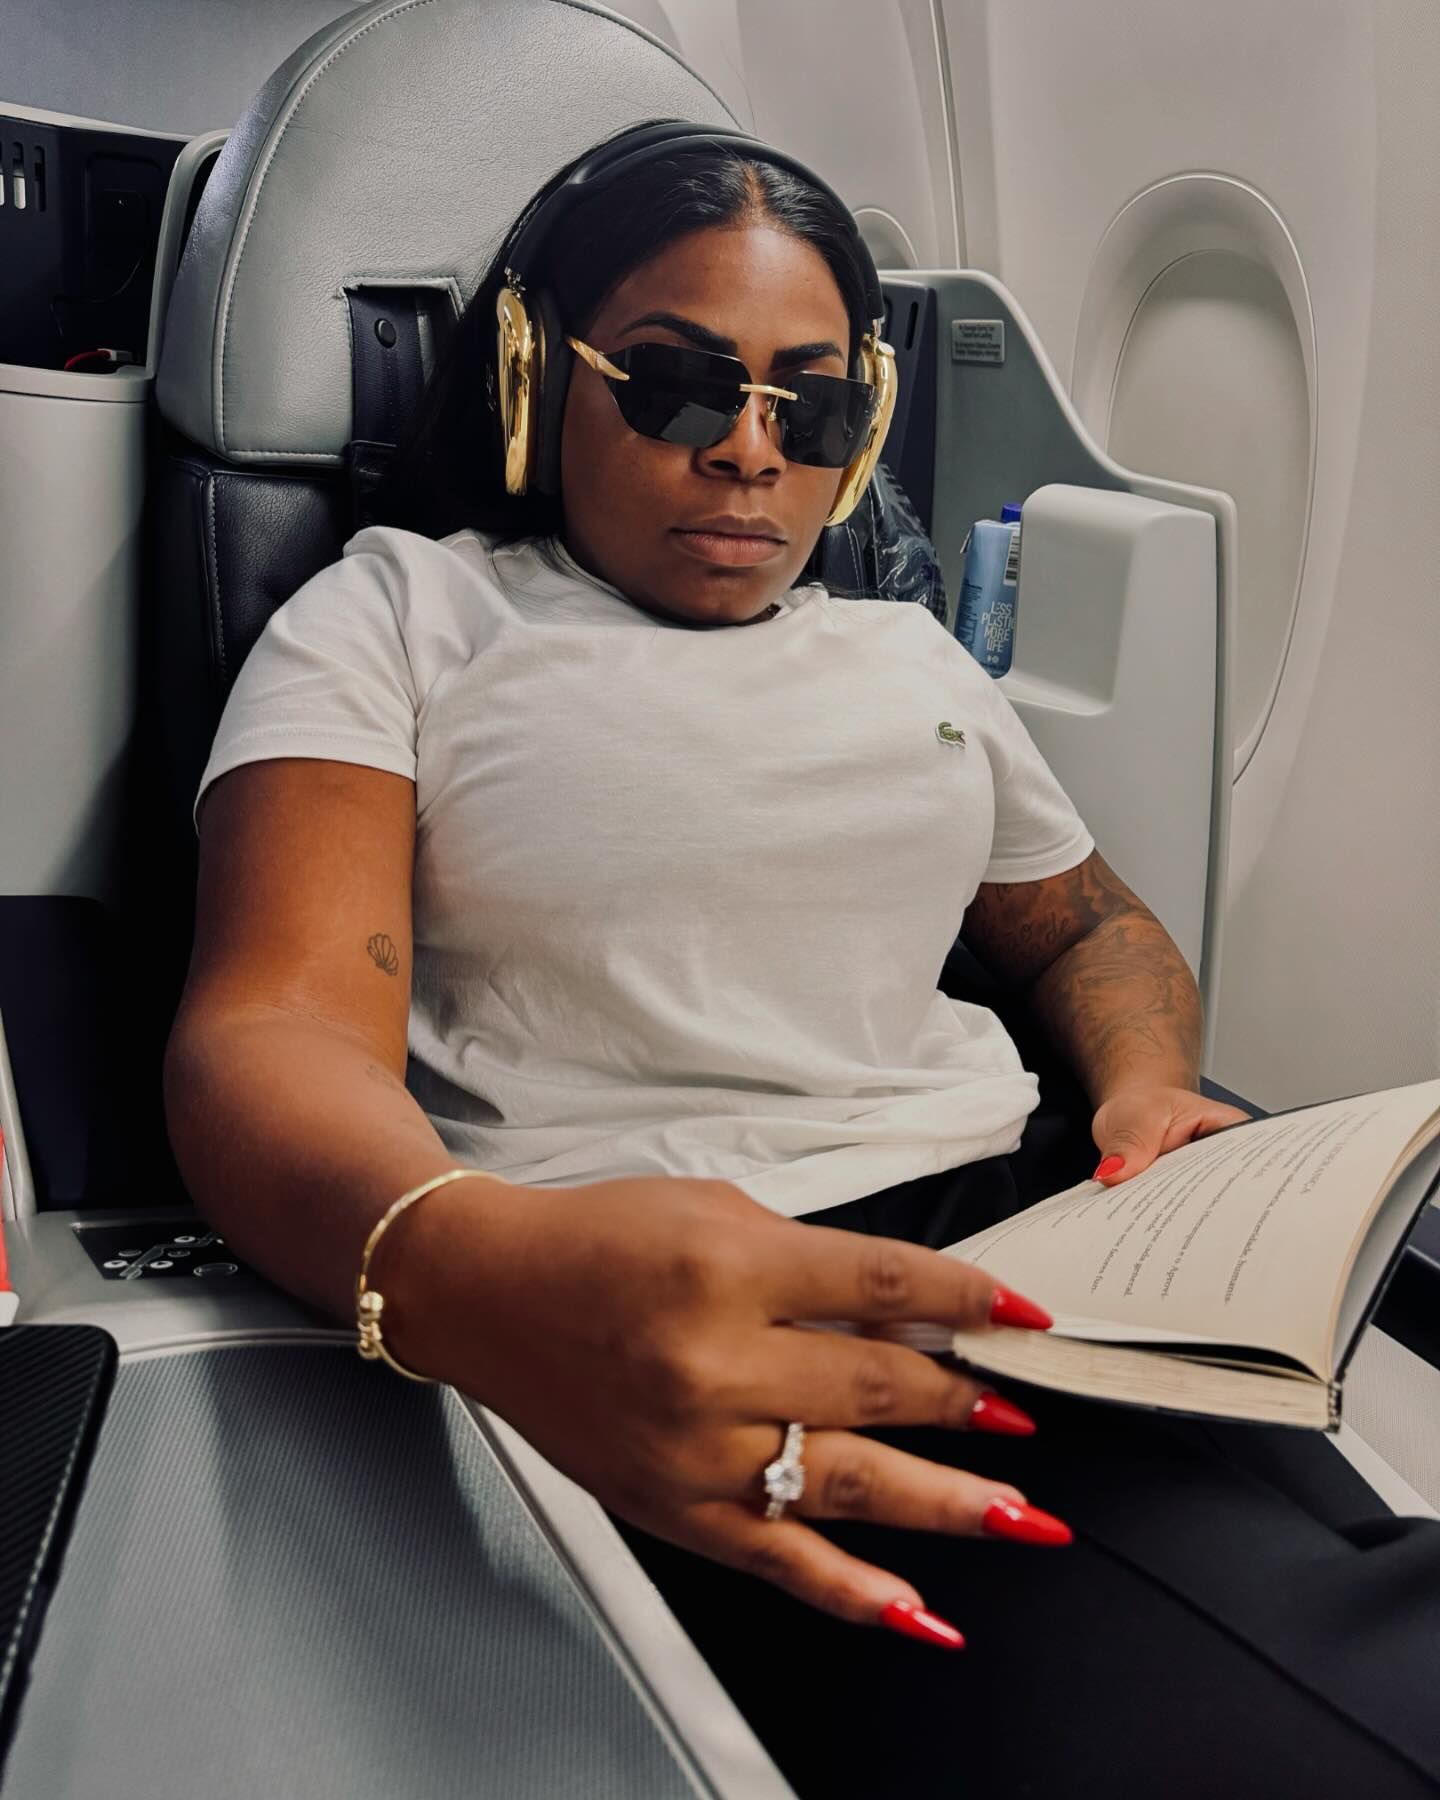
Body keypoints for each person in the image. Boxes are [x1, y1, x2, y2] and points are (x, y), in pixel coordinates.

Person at [164, 121, 1440, 1796]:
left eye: (812, 407)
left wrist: (1146, 1092)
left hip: (1051, 1237)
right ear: (540, 377)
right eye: (681, 387)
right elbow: (275, 1028)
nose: (751, 455)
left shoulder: (908, 655)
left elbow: (1089, 925)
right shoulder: (403, 614)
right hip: (683, 1283)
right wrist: (476, 1276)